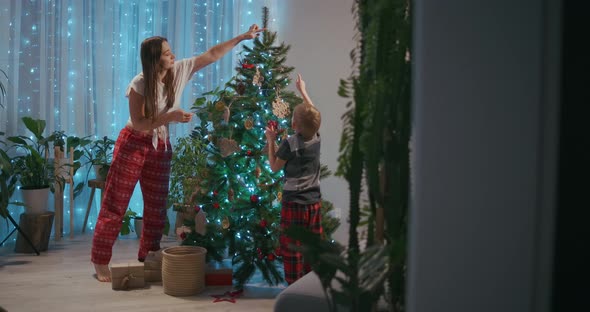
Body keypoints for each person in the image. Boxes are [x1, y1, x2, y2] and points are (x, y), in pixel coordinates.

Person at [92, 24, 264, 282]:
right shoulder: (139, 84)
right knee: (116, 203)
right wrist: (169, 116)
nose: (172, 56)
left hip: (160, 145)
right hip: (134, 143)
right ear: (154, 59)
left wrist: (242, 37)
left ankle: (149, 253)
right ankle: (100, 259)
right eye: (166, 53)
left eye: (171, 51)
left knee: (157, 205)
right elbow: (138, 123)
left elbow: (212, 54)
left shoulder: (179, 70)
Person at [265, 73, 323, 285]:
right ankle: (312, 286)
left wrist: (271, 141)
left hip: (294, 204)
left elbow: (273, 167)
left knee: (292, 249)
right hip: (314, 203)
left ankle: (294, 289)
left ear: (295, 125)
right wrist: (303, 91)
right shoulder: (316, 137)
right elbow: (314, 115)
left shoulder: (290, 143)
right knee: (312, 246)